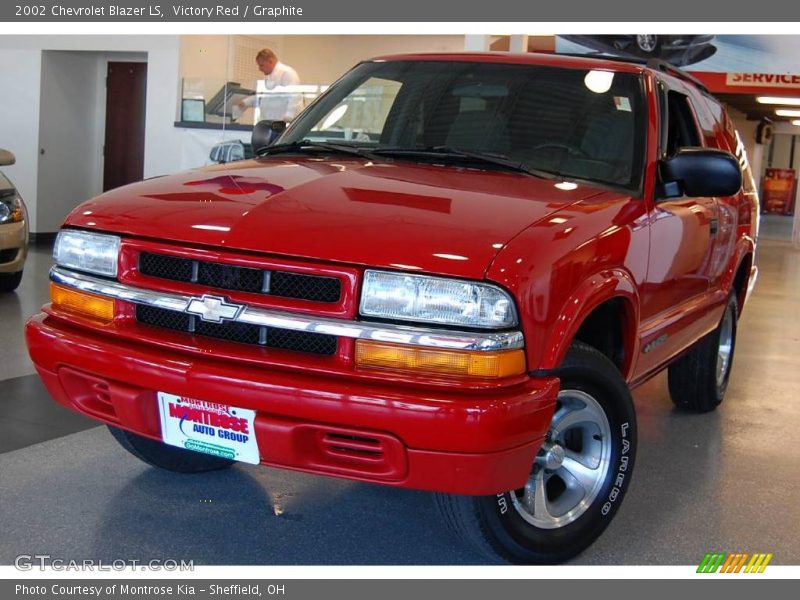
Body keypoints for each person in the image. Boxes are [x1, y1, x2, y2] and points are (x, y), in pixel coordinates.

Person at [236, 48, 303, 124]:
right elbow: (264, 98)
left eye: (261, 65)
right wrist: (245, 102)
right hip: (271, 123)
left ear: (270, 61)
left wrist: (288, 118)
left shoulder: (287, 73)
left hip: (286, 123)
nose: (259, 69)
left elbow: (294, 97)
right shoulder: (269, 77)